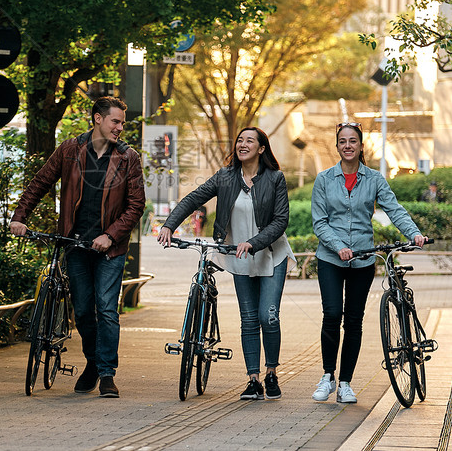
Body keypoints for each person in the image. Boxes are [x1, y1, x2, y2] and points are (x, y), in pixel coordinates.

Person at [10, 97, 145, 398]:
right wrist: (19, 217)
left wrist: (110, 235)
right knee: (83, 310)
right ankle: (93, 363)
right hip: (75, 244)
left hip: (110, 249)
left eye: (122, 123)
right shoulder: (69, 151)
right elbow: (40, 183)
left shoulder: (128, 158)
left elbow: (136, 205)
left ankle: (107, 374)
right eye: (115, 121)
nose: (120, 128)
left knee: (107, 308)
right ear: (98, 119)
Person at [157, 127, 296, 401]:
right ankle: (253, 380)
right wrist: (169, 225)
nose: (242, 144)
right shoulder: (225, 177)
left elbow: (281, 221)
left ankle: (271, 372)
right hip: (238, 254)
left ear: (261, 148)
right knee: (248, 320)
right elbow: (194, 198)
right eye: (239, 140)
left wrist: (254, 242)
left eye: (249, 141)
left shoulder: (275, 178)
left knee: (268, 317)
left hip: (270, 253)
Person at [310, 122, 427, 404]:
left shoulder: (374, 179)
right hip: (330, 258)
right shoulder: (324, 179)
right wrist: (338, 247)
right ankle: (328, 375)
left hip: (362, 260)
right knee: (332, 314)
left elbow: (394, 208)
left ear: (361, 146)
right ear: (337, 146)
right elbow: (319, 222)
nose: (347, 145)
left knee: (354, 321)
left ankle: (346, 383)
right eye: (342, 141)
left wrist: (413, 232)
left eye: (353, 141)